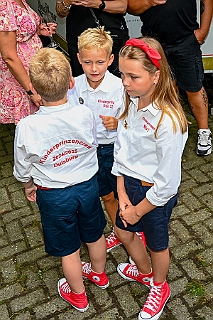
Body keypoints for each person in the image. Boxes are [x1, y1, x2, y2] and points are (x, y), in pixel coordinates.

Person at [13, 47, 109, 313]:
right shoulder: (85, 113)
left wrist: (28, 185)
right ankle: (99, 274)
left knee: (69, 249)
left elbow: (22, 166)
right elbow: (91, 143)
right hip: (88, 186)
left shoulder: (27, 126)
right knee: (94, 233)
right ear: (71, 82)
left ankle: (78, 294)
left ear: (32, 86)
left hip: (54, 195)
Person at [112, 37, 188, 320]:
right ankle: (145, 274)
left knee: (157, 245)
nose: (125, 83)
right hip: (128, 186)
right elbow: (121, 148)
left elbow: (167, 184)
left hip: (154, 194)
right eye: (122, 74)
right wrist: (121, 194)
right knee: (122, 232)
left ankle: (160, 285)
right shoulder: (131, 100)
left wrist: (137, 210)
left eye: (133, 76)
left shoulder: (167, 121)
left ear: (156, 76)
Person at [68, 26, 146, 252]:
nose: (94, 68)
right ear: (79, 58)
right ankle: (118, 230)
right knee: (106, 195)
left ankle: (134, 230)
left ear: (111, 59)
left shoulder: (121, 88)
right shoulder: (73, 86)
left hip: (114, 151)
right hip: (88, 152)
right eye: (88, 62)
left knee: (125, 194)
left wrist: (118, 123)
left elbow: (136, 124)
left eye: (100, 62)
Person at [128, 0, 213, 156]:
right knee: (161, 90)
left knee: (194, 88)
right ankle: (169, 131)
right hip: (154, 44)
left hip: (186, 40)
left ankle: (204, 131)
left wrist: (204, 30)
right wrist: (148, 2)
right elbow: (130, 7)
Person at [0, 0, 57, 124]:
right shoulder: (3, 5)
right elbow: (9, 56)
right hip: (22, 78)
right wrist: (31, 91)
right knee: (28, 127)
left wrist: (38, 31)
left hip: (35, 72)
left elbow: (19, 32)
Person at [55, 0, 129, 77]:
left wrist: (99, 4)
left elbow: (122, 6)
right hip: (78, 38)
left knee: (115, 82)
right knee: (81, 82)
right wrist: (67, 2)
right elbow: (60, 12)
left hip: (112, 37)